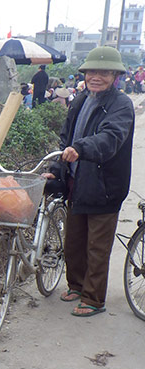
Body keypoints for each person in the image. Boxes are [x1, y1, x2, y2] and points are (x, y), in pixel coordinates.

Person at [48, 46, 134, 317]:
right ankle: (76, 285)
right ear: (85, 74)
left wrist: (81, 148)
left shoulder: (121, 105)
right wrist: (56, 167)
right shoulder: (80, 99)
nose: (97, 77)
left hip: (105, 185)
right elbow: (65, 138)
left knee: (97, 246)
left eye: (104, 72)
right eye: (92, 72)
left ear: (115, 76)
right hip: (78, 182)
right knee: (74, 241)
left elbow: (110, 138)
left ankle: (94, 298)